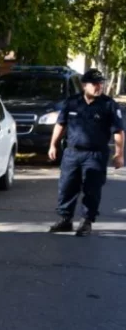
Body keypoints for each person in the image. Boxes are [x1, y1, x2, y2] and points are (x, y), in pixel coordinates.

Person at [48, 68, 125, 237]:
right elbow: (61, 124)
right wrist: (53, 145)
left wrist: (119, 154)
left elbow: (118, 131)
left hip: (95, 155)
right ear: (84, 85)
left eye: (101, 83)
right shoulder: (72, 102)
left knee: (92, 189)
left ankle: (86, 222)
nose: (99, 86)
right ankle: (65, 219)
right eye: (95, 84)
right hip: (72, 153)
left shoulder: (108, 105)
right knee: (66, 187)